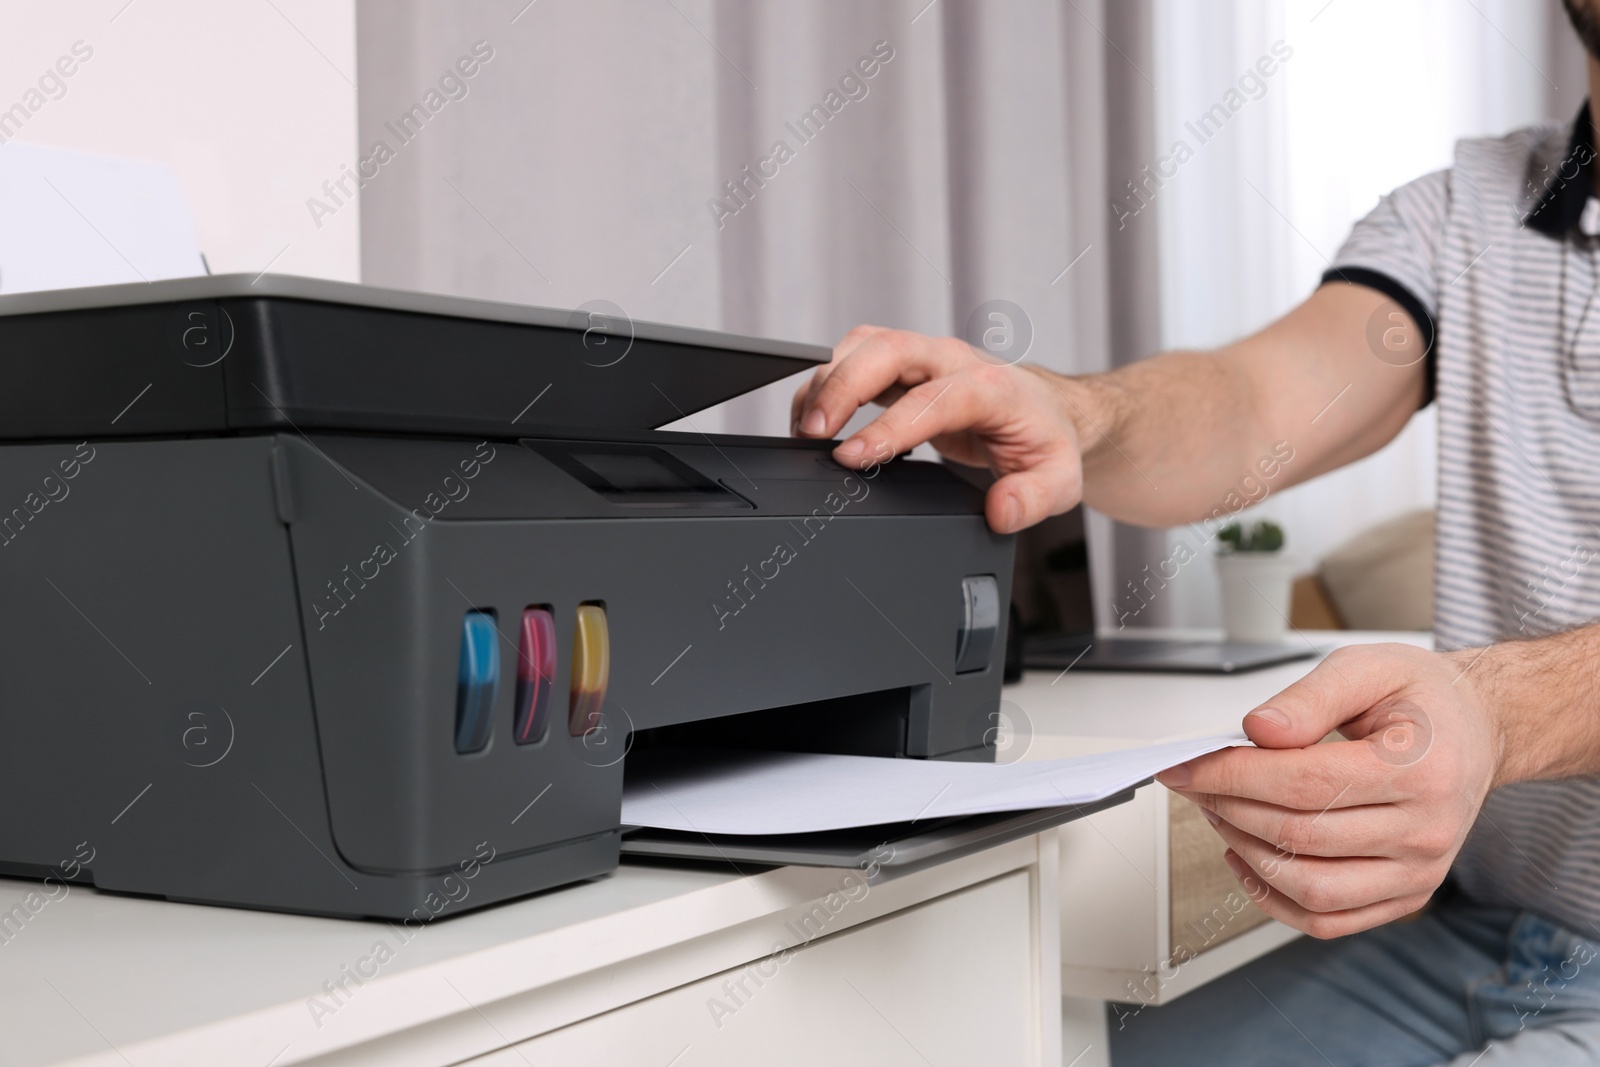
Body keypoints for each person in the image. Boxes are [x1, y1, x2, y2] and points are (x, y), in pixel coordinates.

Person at [791, 5, 1600, 1062]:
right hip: (1468, 936)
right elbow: (1258, 403)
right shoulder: (1464, 213)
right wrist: (1083, 415)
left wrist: (1494, 709)